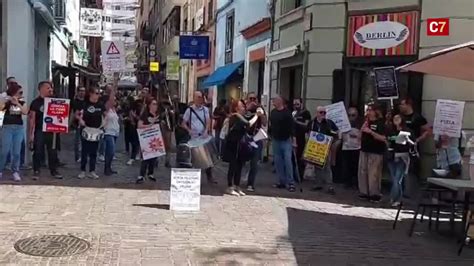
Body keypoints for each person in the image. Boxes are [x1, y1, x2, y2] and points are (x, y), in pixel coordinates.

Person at [224, 99, 262, 196]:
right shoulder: (236, 115)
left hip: (240, 144)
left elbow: (249, 117)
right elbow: (248, 123)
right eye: (242, 106)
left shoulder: (242, 115)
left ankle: (237, 186)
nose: (244, 107)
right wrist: (257, 116)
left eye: (244, 106)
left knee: (239, 165)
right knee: (233, 165)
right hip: (233, 144)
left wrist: (255, 111)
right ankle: (229, 187)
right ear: (236, 108)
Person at [29, 81, 63, 180]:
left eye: (51, 88)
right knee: (38, 151)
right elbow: (32, 119)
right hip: (40, 130)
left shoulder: (55, 101)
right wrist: (31, 134)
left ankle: (54, 170)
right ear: (41, 89)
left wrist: (60, 127)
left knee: (53, 151)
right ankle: (36, 170)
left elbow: (61, 114)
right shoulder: (35, 102)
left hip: (52, 130)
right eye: (48, 88)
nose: (50, 90)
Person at [181, 91, 217, 184]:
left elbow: (208, 121)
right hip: (194, 138)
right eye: (197, 97)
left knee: (207, 157)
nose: (199, 99)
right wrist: (189, 130)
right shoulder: (189, 110)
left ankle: (210, 176)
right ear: (194, 98)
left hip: (203, 137)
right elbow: (183, 123)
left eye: (200, 97)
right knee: (195, 158)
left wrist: (206, 131)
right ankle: (194, 178)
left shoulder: (205, 110)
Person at [76, 87, 112, 179]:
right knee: (84, 151)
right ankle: (83, 171)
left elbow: (106, 114)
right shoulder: (84, 104)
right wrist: (80, 120)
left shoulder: (100, 104)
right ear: (91, 94)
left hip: (96, 130)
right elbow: (77, 114)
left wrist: (105, 122)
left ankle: (92, 171)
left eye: (99, 93)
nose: (98, 95)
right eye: (96, 93)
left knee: (94, 151)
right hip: (86, 129)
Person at [399, 97, 431, 196]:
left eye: (402, 104)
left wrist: (418, 140)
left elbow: (428, 130)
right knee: (399, 169)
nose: (401, 106)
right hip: (399, 146)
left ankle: (410, 192)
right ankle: (399, 192)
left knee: (411, 170)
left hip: (411, 147)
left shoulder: (417, 117)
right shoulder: (400, 117)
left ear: (408, 105)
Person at [307, 106, 339, 194]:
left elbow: (337, 132)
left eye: (324, 113)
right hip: (315, 147)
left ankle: (329, 186)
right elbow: (307, 132)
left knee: (327, 167)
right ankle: (318, 184)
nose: (323, 114)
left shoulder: (329, 123)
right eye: (321, 112)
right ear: (317, 113)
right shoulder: (312, 122)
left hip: (326, 147)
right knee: (317, 166)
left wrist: (332, 141)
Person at [0, 83, 28, 181]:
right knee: (4, 150)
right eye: (19, 93)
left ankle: (15, 171)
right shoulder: (6, 102)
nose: (20, 95)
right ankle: (0, 169)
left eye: (21, 93)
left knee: (16, 151)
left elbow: (25, 112)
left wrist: (18, 103)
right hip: (7, 127)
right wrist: (6, 101)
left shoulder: (22, 102)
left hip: (18, 128)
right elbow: (0, 110)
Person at [358, 104, 386, 202]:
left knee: (373, 173)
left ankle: (374, 193)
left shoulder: (380, 123)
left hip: (376, 151)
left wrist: (370, 132)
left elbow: (383, 138)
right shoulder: (366, 122)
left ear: (376, 111)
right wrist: (362, 130)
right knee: (363, 171)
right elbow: (359, 136)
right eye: (367, 110)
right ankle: (364, 192)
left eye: (370, 110)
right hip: (364, 149)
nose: (368, 112)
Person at [269, 95, 296, 192]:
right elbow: (271, 125)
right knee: (278, 162)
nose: (273, 102)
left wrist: (294, 140)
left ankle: (291, 182)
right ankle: (281, 181)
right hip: (276, 139)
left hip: (286, 140)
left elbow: (292, 126)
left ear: (280, 101)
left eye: (274, 101)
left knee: (288, 161)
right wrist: (270, 135)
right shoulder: (273, 112)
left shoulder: (287, 113)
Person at [386, 114, 412, 207]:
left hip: (402, 157)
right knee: (394, 179)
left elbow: (411, 142)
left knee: (397, 179)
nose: (396, 120)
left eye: (398, 118)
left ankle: (393, 199)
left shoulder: (407, 131)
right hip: (391, 156)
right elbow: (388, 140)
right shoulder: (390, 130)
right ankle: (398, 199)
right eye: (394, 118)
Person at [245, 93, 267, 191]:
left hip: (257, 138)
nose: (253, 100)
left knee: (255, 162)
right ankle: (238, 180)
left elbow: (265, 123)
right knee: (241, 161)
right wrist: (247, 109)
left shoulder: (260, 108)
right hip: (245, 138)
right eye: (251, 98)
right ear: (247, 99)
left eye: (254, 98)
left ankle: (250, 183)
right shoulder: (244, 108)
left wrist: (261, 114)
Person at [136, 97, 161, 183]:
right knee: (145, 158)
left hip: (155, 138)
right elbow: (139, 125)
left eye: (156, 104)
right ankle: (141, 175)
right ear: (149, 105)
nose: (155, 106)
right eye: (153, 104)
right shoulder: (145, 115)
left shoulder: (158, 115)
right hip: (146, 138)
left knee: (154, 157)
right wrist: (149, 126)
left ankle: (150, 173)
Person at [341, 107, 363, 188]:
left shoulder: (360, 124)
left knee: (356, 166)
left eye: (353, 115)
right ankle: (347, 182)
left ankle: (355, 182)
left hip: (356, 148)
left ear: (357, 115)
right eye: (349, 115)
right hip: (346, 147)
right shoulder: (344, 123)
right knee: (346, 165)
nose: (351, 117)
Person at [292, 98, 311, 182]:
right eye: (294, 104)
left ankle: (300, 175)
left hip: (302, 137)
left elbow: (306, 125)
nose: (296, 106)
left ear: (301, 104)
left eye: (297, 104)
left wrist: (296, 121)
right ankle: (294, 175)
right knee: (294, 156)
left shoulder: (306, 113)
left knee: (300, 157)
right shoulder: (294, 113)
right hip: (294, 137)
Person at [103, 98, 120, 176]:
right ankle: (106, 168)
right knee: (111, 151)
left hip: (115, 133)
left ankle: (108, 168)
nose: (114, 101)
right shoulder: (107, 110)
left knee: (110, 153)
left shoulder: (114, 110)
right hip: (108, 132)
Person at [126, 96, 143, 165]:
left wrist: (134, 116)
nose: (139, 106)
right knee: (134, 143)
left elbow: (140, 119)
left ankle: (139, 155)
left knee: (140, 143)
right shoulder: (133, 110)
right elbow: (132, 119)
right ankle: (133, 157)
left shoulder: (142, 111)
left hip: (141, 128)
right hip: (134, 128)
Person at [72, 87, 86, 162]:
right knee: (77, 141)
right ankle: (77, 157)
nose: (82, 92)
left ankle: (84, 155)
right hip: (78, 124)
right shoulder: (75, 102)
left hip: (86, 124)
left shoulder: (87, 101)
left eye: (83, 91)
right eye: (80, 91)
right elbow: (74, 113)